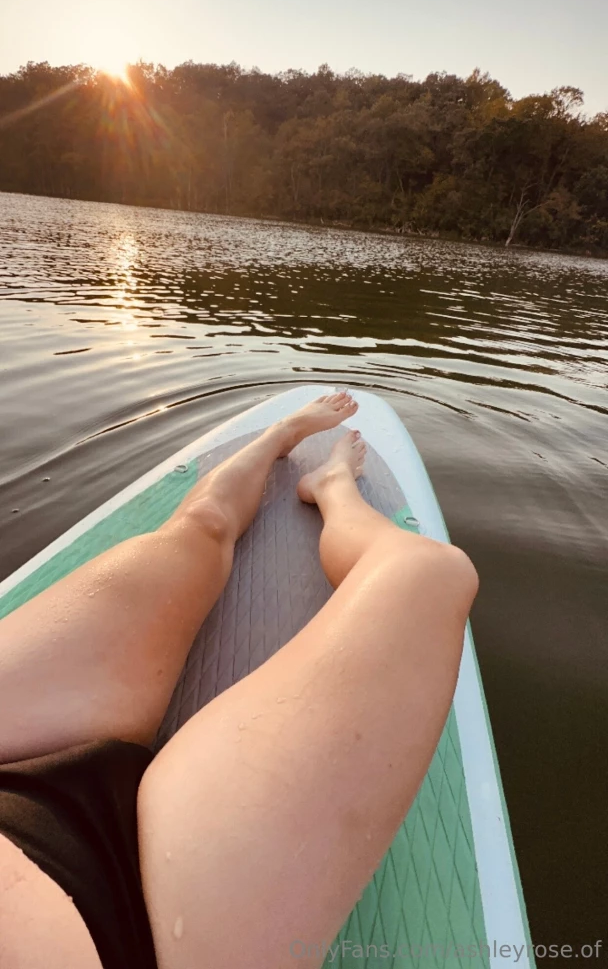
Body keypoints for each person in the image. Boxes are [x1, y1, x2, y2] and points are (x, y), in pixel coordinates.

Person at [0, 391, 478, 969]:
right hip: (137, 934)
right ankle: (333, 489)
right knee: (427, 574)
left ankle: (282, 435)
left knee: (200, 527)